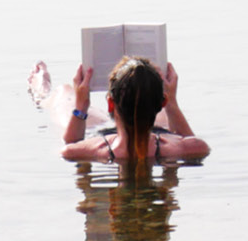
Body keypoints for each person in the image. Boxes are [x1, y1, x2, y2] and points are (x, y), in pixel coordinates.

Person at [36, 57, 209, 163]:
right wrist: (172, 105)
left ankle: (43, 90)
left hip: (100, 139)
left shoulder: (84, 152)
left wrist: (82, 107)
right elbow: (190, 142)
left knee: (64, 92)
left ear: (110, 104)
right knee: (145, 98)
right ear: (162, 103)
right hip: (162, 136)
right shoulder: (194, 148)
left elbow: (70, 146)